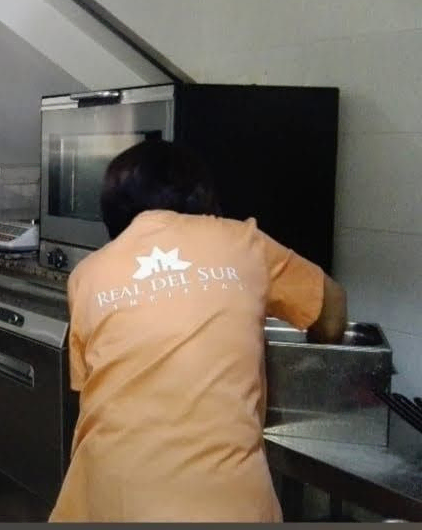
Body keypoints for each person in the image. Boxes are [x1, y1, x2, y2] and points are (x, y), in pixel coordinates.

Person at [51, 139, 346, 522]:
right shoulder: (244, 243)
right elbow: (333, 312)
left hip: (111, 496)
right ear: (203, 196)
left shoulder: (87, 275)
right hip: (228, 503)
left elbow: (93, 390)